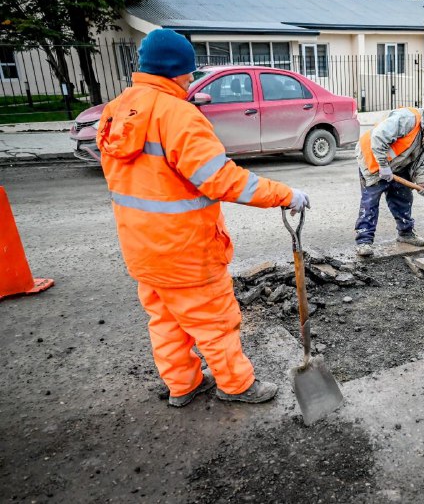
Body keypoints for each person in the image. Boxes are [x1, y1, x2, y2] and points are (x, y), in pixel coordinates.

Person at [97, 29, 310, 407]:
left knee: (165, 323)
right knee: (215, 322)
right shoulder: (178, 115)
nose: (192, 79)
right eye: (190, 73)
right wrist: (286, 195)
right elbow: (222, 179)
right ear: (177, 72)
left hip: (142, 250)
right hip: (187, 251)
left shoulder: (116, 110)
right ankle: (237, 385)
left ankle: (183, 385)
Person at [354, 101, 424, 257]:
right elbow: (379, 137)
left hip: (399, 165)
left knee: (403, 197)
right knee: (370, 201)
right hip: (372, 160)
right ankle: (364, 241)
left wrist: (422, 182)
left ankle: (405, 233)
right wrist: (383, 165)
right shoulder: (408, 118)